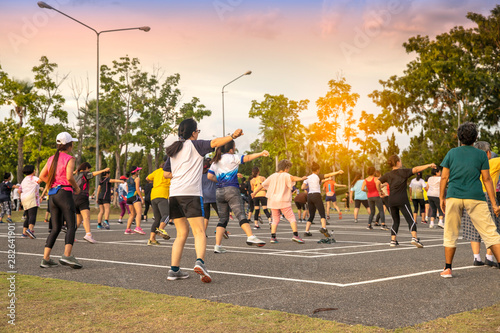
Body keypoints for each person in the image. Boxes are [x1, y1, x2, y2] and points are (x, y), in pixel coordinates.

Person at [163, 118, 242, 283]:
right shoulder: (195, 145)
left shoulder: (173, 150)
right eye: (197, 131)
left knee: (181, 233)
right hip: (190, 193)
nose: (198, 134)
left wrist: (182, 172)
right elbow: (215, 142)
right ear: (193, 133)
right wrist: (232, 136)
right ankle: (200, 262)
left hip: (174, 194)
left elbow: (166, 174)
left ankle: (174, 270)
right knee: (199, 232)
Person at [209, 142, 268, 253]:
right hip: (231, 190)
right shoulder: (233, 157)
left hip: (219, 191)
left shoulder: (216, 160)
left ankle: (218, 245)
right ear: (231, 149)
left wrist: (221, 181)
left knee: (222, 219)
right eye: (235, 147)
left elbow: (209, 176)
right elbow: (248, 157)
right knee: (240, 214)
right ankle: (250, 236)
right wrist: (261, 153)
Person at [38, 132, 82, 269]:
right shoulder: (70, 158)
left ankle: (46, 258)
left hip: (52, 195)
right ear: (69, 145)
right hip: (64, 193)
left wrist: (52, 184)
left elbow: (41, 176)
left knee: (55, 228)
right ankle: (67, 255)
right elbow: (69, 177)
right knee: (71, 225)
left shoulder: (51, 158)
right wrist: (76, 188)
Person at [457, 140, 500, 268]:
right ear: (487, 153)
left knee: (472, 226)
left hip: (469, 195)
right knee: (492, 225)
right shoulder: (493, 162)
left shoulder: (469, 163)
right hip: (487, 195)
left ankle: (476, 257)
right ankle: (489, 256)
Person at [376, 155, 435, 248]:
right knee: (410, 220)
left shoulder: (388, 174)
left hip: (391, 201)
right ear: (398, 162)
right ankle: (414, 238)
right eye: (400, 160)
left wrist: (380, 192)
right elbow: (416, 169)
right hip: (402, 200)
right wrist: (428, 165)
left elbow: (377, 182)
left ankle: (393, 240)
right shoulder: (403, 172)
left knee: (395, 221)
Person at [252, 159, 307, 244]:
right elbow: (292, 178)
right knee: (291, 217)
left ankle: (273, 237)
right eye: (288, 168)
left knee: (275, 219)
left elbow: (262, 185)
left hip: (273, 201)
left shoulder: (272, 176)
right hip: (283, 200)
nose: (288, 170)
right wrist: (301, 178)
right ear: (286, 168)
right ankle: (295, 235)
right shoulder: (286, 175)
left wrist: (254, 192)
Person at [303, 163, 343, 238]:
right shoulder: (318, 176)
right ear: (318, 170)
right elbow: (329, 174)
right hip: (316, 195)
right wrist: (338, 172)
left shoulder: (308, 177)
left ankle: (306, 231)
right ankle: (323, 228)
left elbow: (303, 187)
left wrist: (310, 185)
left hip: (309, 196)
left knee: (311, 215)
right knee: (322, 213)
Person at [74, 163, 110, 243]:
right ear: (86, 168)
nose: (89, 171)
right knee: (86, 217)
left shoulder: (75, 175)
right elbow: (92, 174)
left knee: (78, 219)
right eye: (89, 169)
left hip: (74, 198)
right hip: (82, 197)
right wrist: (104, 170)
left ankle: (71, 235)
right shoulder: (84, 174)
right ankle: (88, 235)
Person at [146, 157, 171, 245]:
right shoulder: (169, 172)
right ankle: (161, 229)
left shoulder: (157, 171)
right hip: (162, 194)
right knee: (167, 215)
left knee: (157, 219)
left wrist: (155, 181)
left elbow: (147, 178)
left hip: (153, 196)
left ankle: (151, 239)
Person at [362, 167, 389, 231]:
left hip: (369, 197)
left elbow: (362, 189)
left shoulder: (365, 180)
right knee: (381, 210)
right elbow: (378, 186)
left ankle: (369, 225)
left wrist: (368, 191)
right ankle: (383, 224)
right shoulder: (376, 179)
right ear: (374, 172)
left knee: (372, 212)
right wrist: (380, 191)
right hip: (376, 196)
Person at [18, 165, 42, 239]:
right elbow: (40, 180)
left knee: (28, 216)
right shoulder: (33, 178)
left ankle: (24, 233)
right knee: (32, 215)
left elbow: (19, 190)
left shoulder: (24, 180)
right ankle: (30, 230)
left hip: (24, 198)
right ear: (33, 171)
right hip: (31, 198)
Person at [124, 166, 146, 235]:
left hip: (128, 197)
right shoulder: (137, 178)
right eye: (138, 171)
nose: (139, 172)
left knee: (132, 215)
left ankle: (128, 229)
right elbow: (137, 189)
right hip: (134, 197)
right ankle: (138, 227)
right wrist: (142, 198)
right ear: (135, 172)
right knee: (139, 212)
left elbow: (127, 189)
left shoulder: (128, 179)